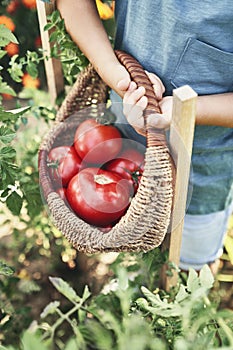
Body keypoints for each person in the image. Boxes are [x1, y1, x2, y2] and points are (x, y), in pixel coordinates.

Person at [49, 0, 233, 273]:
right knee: (129, 260)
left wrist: (186, 110)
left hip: (204, 166)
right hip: (118, 147)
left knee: (188, 271)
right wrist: (117, 75)